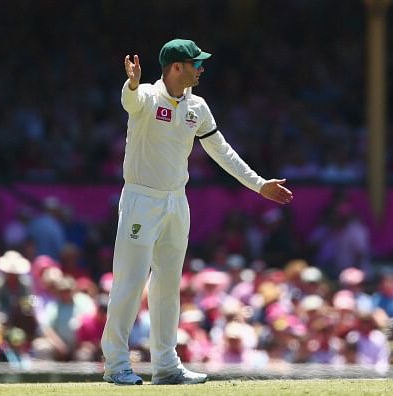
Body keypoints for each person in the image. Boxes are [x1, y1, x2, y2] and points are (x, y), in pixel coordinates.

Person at [100, 38, 293, 386]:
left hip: (177, 200)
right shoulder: (146, 95)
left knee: (169, 284)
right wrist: (130, 83)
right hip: (141, 200)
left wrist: (259, 184)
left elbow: (222, 151)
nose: (202, 68)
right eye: (196, 63)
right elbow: (130, 100)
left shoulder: (198, 107)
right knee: (130, 281)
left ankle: (166, 366)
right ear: (177, 67)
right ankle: (116, 365)